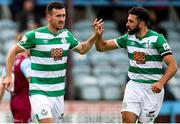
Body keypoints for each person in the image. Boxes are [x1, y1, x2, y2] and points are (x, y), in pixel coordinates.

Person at [2, 1, 102, 123]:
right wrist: (7, 76)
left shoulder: (66, 35)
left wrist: (95, 36)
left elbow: (82, 49)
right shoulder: (34, 35)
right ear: (48, 17)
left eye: (63, 16)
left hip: (58, 93)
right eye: (58, 16)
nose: (62, 19)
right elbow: (13, 51)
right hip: (39, 92)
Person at [93, 7, 177, 123]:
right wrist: (98, 36)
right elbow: (101, 47)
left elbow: (173, 65)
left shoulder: (158, 39)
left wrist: (161, 82)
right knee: (127, 120)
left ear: (142, 24)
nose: (127, 24)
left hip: (152, 89)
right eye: (128, 20)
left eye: (131, 21)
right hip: (134, 86)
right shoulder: (128, 38)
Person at [0, 34, 31, 123]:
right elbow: (33, 84)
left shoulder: (9, 64)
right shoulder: (26, 62)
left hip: (13, 103)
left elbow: (2, 87)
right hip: (24, 104)